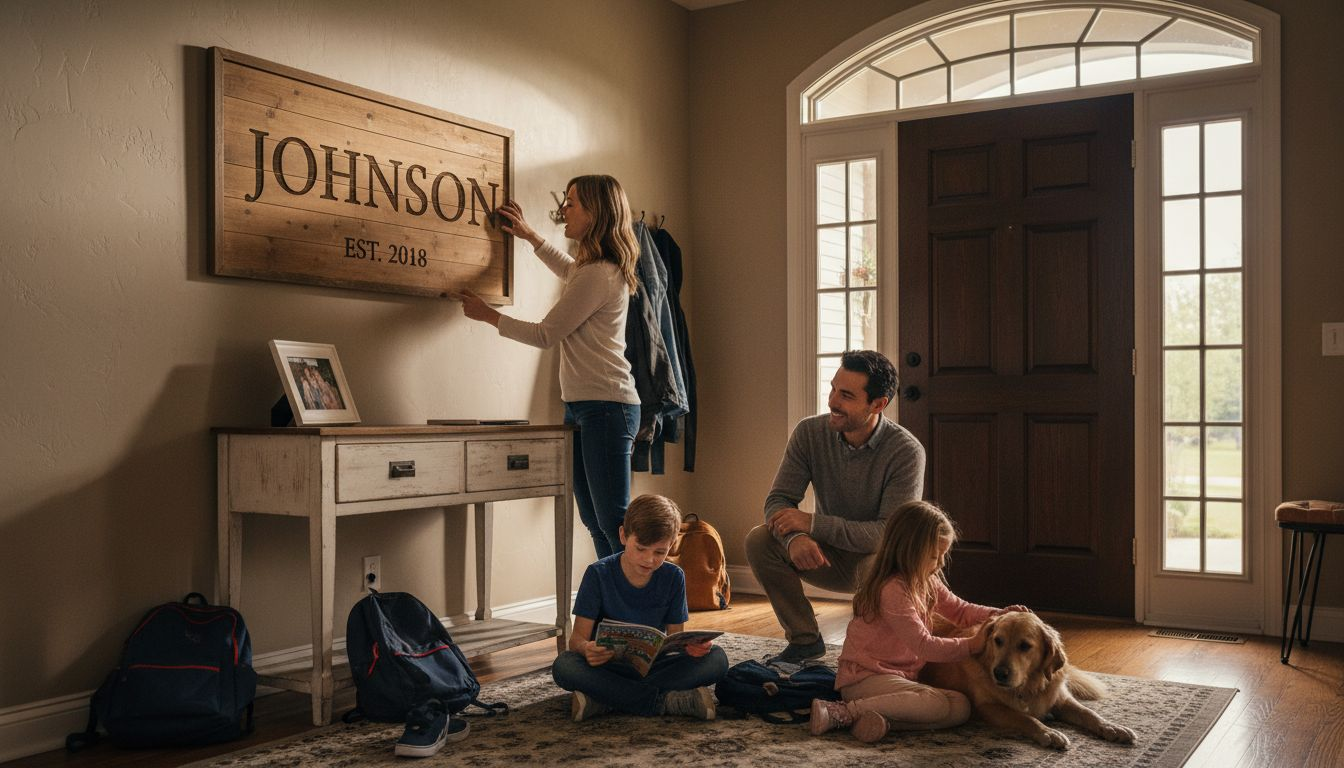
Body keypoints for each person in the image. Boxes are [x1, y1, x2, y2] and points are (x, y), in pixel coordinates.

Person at [451, 175, 641, 558]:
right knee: (595, 521)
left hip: (606, 407)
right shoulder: (592, 271)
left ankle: (629, 609)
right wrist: (530, 235)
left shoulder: (599, 274)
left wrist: (488, 315)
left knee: (612, 523)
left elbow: (545, 335)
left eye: (572, 203)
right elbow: (569, 269)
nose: (564, 210)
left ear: (595, 212)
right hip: (586, 407)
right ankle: (611, 609)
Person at [745, 349, 926, 663]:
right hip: (828, 556)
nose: (832, 401)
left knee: (877, 565)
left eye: (846, 395)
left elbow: (887, 535)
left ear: (878, 404)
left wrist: (812, 525)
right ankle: (804, 641)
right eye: (832, 388)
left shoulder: (906, 452)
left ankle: (880, 653)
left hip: (878, 563)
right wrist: (794, 538)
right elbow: (778, 500)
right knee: (759, 540)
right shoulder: (809, 433)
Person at [809, 500, 1031, 742]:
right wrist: (972, 645)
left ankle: (878, 720)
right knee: (935, 703)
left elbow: (961, 611)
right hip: (866, 679)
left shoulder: (926, 581)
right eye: (935, 556)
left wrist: (1000, 615)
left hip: (899, 679)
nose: (942, 564)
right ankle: (842, 711)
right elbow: (924, 645)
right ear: (911, 552)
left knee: (961, 707)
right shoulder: (893, 589)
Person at [551, 494, 729, 721]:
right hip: (607, 666)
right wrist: (587, 649)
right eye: (641, 548)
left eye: (660, 552)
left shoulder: (674, 576)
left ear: (672, 544)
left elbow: (676, 638)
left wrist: (691, 648)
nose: (649, 560)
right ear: (623, 536)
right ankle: (666, 701)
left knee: (717, 659)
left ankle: (605, 699)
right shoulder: (598, 574)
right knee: (565, 666)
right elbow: (576, 640)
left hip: (654, 666)